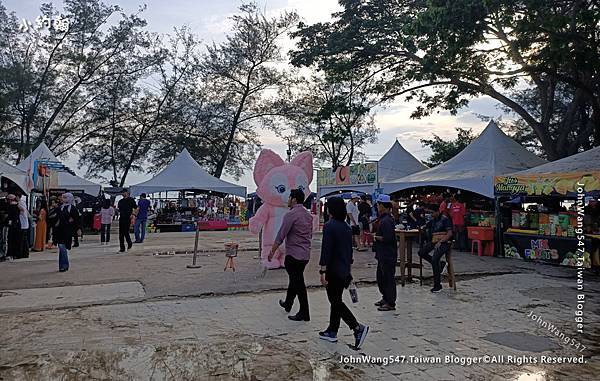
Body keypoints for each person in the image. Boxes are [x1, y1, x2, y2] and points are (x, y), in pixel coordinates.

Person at [318, 196, 369, 348]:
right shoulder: (346, 227)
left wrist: (322, 270)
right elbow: (348, 251)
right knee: (336, 300)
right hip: (344, 269)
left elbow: (326, 250)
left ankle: (357, 327)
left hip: (333, 270)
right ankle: (332, 330)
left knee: (335, 301)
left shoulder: (329, 226)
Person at [269, 189, 313, 322]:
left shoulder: (291, 215)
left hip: (293, 255)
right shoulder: (308, 215)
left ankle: (304, 312)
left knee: (298, 283)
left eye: (289, 197)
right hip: (305, 254)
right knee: (295, 280)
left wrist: (272, 251)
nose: (288, 200)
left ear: (294, 199)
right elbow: (309, 235)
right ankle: (288, 303)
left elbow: (281, 235)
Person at [418, 209, 453, 293]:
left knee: (434, 259)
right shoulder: (432, 220)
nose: (431, 214)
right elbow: (425, 226)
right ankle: (440, 264)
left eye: (432, 212)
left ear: (437, 211)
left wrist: (441, 242)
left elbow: (450, 233)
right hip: (434, 241)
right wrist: (422, 228)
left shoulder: (445, 219)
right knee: (421, 252)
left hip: (445, 242)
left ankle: (437, 285)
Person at [373, 194, 398, 311]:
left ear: (383, 206)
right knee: (381, 277)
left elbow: (388, 238)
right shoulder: (383, 219)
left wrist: (376, 237)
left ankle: (391, 302)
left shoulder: (387, 221)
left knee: (388, 278)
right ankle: (385, 297)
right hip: (382, 254)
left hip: (387, 254)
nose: (377, 207)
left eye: (379, 204)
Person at [54, 193, 80, 272]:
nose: (64, 199)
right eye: (63, 197)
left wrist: (78, 229)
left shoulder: (73, 208)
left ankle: (64, 265)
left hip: (68, 231)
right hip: (59, 231)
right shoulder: (60, 208)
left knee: (63, 248)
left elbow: (77, 220)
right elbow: (55, 218)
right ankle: (63, 265)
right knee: (61, 248)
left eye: (66, 197)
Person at [6, 194, 22, 260]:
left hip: (13, 226)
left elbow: (10, 217)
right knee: (16, 240)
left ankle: (11, 254)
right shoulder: (17, 206)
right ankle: (15, 254)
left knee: (11, 240)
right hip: (17, 225)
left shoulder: (11, 207)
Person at [16, 194, 29, 258]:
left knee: (21, 240)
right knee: (24, 240)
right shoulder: (23, 202)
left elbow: (23, 210)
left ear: (18, 197)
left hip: (23, 224)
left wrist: (17, 206)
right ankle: (25, 254)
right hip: (24, 224)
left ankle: (20, 254)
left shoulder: (20, 203)